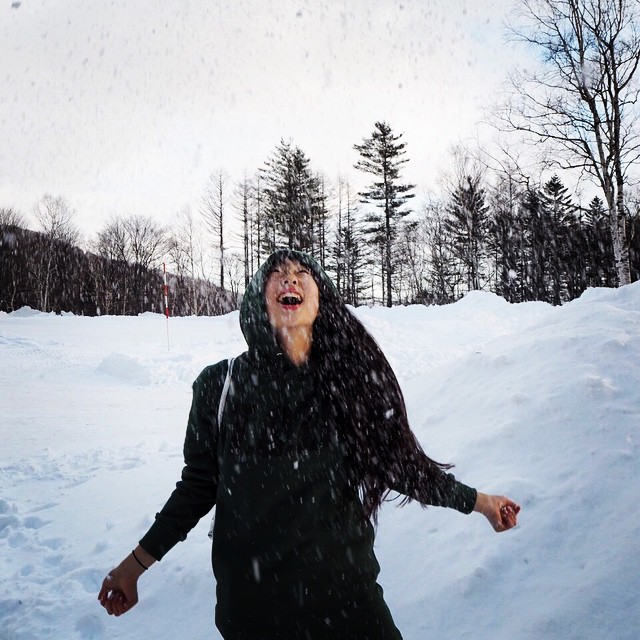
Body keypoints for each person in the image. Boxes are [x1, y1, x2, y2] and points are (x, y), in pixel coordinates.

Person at [98, 249, 520, 639]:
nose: (290, 280)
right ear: (257, 299)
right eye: (277, 275)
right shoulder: (219, 386)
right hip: (254, 614)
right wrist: (134, 567)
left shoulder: (348, 382)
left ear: (322, 300)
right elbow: (196, 490)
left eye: (303, 274)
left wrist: (481, 502)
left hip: (350, 605)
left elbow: (400, 467)